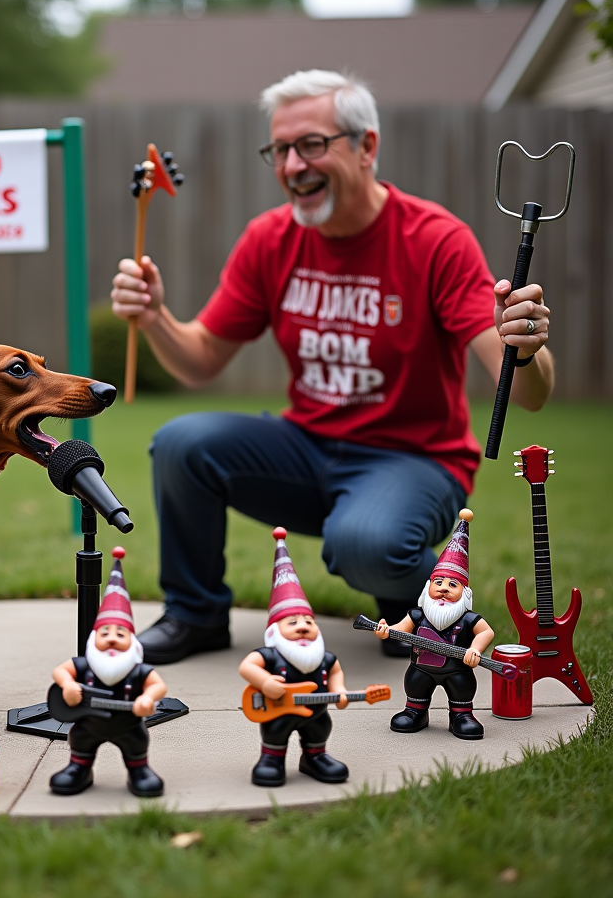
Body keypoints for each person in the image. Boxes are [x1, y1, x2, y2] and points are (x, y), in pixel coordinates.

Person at [110, 69, 554, 665]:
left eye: (312, 144)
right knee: (183, 443)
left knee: (365, 544)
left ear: (367, 146)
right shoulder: (269, 239)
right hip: (306, 447)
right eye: (281, 150)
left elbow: (526, 393)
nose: (293, 164)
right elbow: (200, 360)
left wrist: (525, 346)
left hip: (412, 458)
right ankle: (195, 613)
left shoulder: (434, 240)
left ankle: (430, 609)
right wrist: (157, 316)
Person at [49, 549, 167, 797]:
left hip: (129, 725)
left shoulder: (136, 670)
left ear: (133, 642)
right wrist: (69, 685)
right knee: (81, 741)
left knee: (135, 744)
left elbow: (158, 685)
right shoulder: (85, 665)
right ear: (94, 639)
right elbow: (60, 671)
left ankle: (139, 770)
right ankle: (79, 768)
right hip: (89, 725)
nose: (112, 639)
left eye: (120, 634)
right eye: (105, 634)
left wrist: (147, 698)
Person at [238, 527, 350, 787]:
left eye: (308, 621)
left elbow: (335, 672)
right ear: (275, 631)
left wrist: (340, 690)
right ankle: (271, 759)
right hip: (279, 711)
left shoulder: (324, 658)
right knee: (276, 732)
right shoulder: (271, 655)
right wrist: (265, 683)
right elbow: (247, 666)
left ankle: (315, 756)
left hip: (316, 711)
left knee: (320, 728)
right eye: (293, 622)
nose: (302, 626)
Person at [373, 509, 493, 739]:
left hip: (457, 670)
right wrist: (387, 631)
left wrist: (475, 649)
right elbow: (402, 629)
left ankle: (461, 715)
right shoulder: (418, 615)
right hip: (421, 668)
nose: (444, 588)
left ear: (465, 593)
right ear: (428, 587)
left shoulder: (467, 619)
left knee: (461, 687)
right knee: (416, 684)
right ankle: (415, 711)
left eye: (452, 584)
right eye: (438, 582)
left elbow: (486, 631)